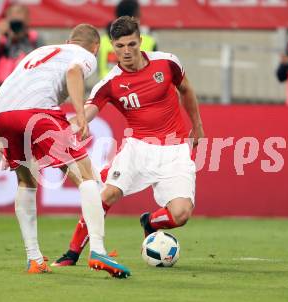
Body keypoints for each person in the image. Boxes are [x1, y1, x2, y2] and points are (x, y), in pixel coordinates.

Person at [52, 16, 204, 266]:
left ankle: (150, 222)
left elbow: (186, 89)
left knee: (181, 214)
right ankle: (72, 253)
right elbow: (89, 109)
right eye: (120, 46)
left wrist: (197, 126)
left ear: (140, 41)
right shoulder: (110, 83)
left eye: (131, 44)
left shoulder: (167, 63)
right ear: (112, 45)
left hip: (174, 150)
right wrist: (73, 124)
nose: (126, 51)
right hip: (138, 149)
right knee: (107, 194)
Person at [0, 24, 130, 278]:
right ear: (96, 47)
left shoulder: (39, 52)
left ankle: (34, 258)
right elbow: (74, 72)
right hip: (38, 111)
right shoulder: (83, 55)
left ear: (68, 40)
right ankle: (97, 250)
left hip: (2, 114)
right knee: (86, 175)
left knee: (26, 180)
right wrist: (80, 115)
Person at [0, 4, 45, 92]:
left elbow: (42, 63)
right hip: (0, 89)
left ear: (28, 19)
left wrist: (22, 39)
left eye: (19, 13)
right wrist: (4, 38)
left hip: (27, 88)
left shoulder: (34, 38)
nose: (15, 16)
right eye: (11, 14)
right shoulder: (3, 39)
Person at [98, 0, 157, 79]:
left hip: (108, 86)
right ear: (135, 16)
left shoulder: (102, 41)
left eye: (132, 44)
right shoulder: (149, 41)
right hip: (139, 87)